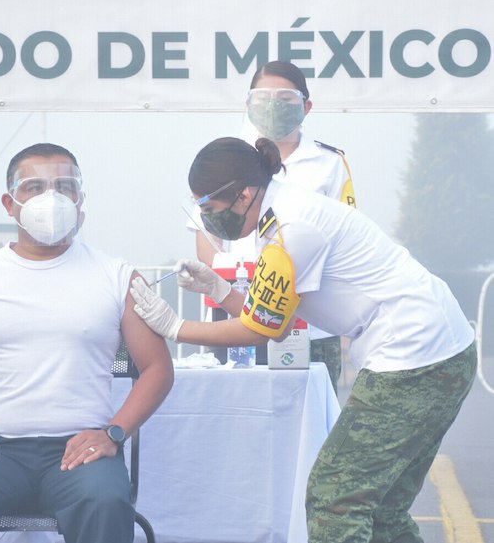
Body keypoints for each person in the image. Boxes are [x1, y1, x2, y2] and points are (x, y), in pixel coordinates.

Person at [130, 137, 476, 543]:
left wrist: (174, 327)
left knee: (336, 498)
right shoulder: (278, 216)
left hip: (416, 357)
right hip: (437, 350)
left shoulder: (290, 230)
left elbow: (261, 329)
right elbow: (272, 310)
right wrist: (221, 290)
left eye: (207, 207)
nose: (205, 218)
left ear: (242, 195)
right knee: (381, 511)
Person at [0, 143, 174, 543]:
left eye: (65, 186)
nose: (51, 197)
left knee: (106, 504)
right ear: (10, 204)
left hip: (81, 452)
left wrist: (114, 433)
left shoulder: (118, 276)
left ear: (80, 201)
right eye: (34, 187)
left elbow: (157, 368)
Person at [194, 60, 356, 389]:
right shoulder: (226, 157)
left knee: (309, 423)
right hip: (234, 308)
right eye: (263, 97)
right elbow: (206, 234)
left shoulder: (329, 163)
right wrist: (224, 283)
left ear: (306, 106)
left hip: (310, 323)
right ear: (248, 104)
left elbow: (343, 237)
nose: (272, 106)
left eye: (284, 99)